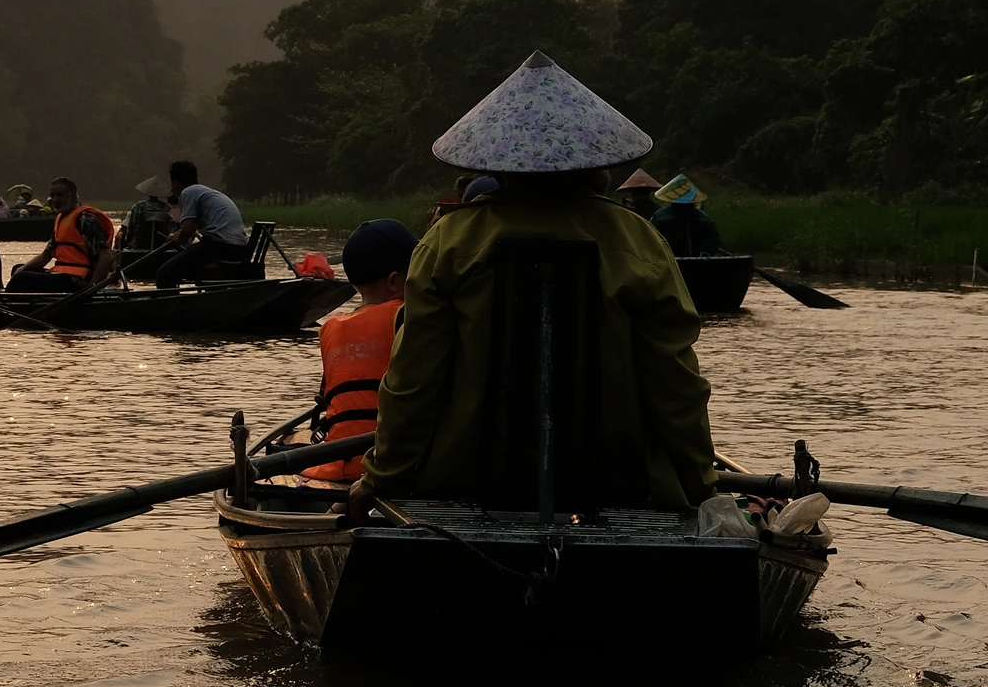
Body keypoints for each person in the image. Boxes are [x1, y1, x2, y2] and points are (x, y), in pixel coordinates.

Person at [347, 52, 719, 517]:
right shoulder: (638, 240)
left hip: (465, 483)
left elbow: (413, 383)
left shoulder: (450, 240)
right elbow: (676, 387)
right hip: (621, 485)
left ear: (499, 165)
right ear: (596, 165)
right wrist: (703, 489)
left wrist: (381, 478)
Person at [304, 219, 416, 484]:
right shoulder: (409, 318)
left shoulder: (330, 328)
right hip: (386, 466)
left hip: (335, 463)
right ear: (393, 282)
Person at [9, 177, 119, 292]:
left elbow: (106, 257)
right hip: (63, 274)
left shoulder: (85, 219)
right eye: (53, 196)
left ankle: (7, 304)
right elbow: (45, 256)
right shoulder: (61, 219)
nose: (56, 200)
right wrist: (21, 269)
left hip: (79, 279)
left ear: (73, 197)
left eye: (60, 195)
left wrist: (92, 288)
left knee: (21, 279)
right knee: (18, 270)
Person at [154, 160, 247, 289]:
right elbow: (190, 231)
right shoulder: (206, 192)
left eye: (172, 184)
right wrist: (179, 237)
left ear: (176, 183)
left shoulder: (188, 193)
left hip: (219, 245)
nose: (171, 189)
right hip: (239, 248)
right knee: (189, 266)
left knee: (164, 274)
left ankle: (170, 307)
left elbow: (187, 230)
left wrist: (177, 239)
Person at [649, 175, 724, 257]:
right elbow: (713, 243)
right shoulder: (704, 219)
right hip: (697, 264)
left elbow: (650, 239)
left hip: (668, 262)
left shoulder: (660, 216)